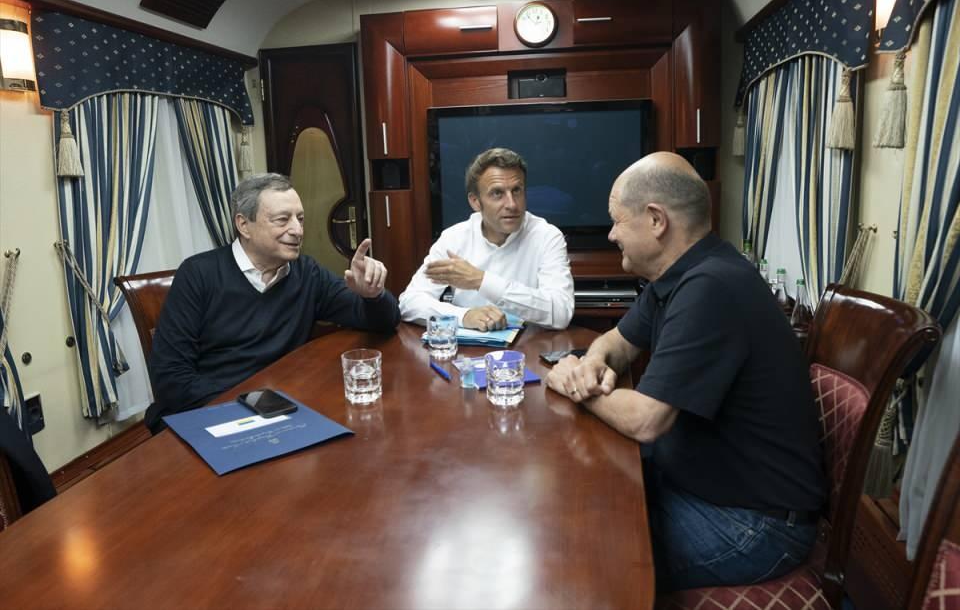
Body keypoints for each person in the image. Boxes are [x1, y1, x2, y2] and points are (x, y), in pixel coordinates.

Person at [545, 152, 825, 591]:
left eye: (618, 221)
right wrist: (592, 364)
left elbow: (646, 420)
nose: (611, 234)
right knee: (570, 502)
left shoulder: (711, 287)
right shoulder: (680, 274)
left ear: (656, 220)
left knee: (583, 558)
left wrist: (575, 385)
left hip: (754, 525)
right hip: (700, 484)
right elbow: (616, 341)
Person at [145, 173, 400, 433]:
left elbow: (385, 322)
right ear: (244, 225)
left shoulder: (306, 273)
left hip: (282, 410)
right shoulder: (198, 274)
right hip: (211, 413)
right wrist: (254, 404)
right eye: (282, 220)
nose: (297, 230)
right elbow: (170, 377)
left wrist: (373, 294)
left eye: (300, 218)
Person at [399, 147, 574, 331]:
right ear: (475, 201)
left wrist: (481, 281)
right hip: (467, 348)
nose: (512, 204)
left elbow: (560, 312)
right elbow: (410, 302)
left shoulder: (547, 236)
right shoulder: (454, 239)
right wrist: (464, 316)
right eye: (497, 193)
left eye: (516, 190)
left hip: (531, 346)